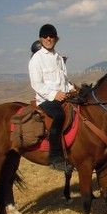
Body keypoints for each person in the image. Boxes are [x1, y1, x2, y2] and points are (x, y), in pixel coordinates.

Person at [28, 24, 74, 171]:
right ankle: (55, 157)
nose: (49, 38)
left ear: (56, 38)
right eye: (45, 36)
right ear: (41, 39)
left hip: (63, 96)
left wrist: (73, 90)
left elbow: (64, 80)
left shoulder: (59, 58)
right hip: (46, 100)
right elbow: (37, 84)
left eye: (51, 36)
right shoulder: (36, 59)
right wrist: (55, 94)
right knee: (59, 115)